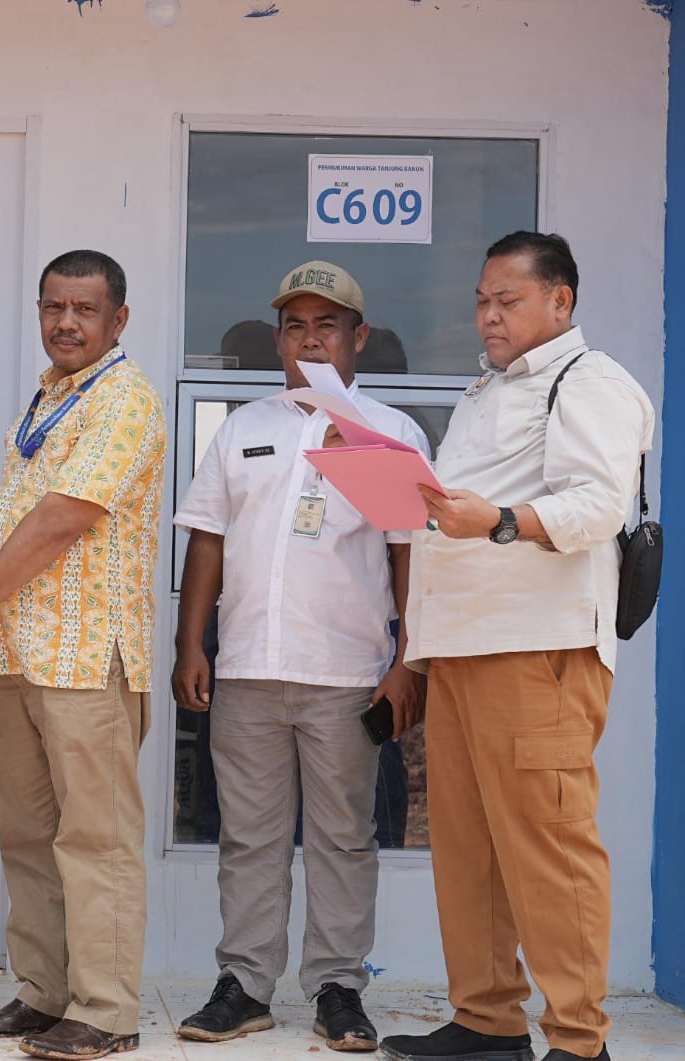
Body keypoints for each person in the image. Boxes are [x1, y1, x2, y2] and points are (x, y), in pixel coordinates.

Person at [380, 232, 654, 1061]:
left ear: (560, 301)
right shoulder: (486, 391)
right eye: (481, 301)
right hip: (464, 644)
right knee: (469, 846)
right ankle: (487, 1020)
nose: (488, 316)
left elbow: (598, 505)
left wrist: (498, 519)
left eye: (508, 300)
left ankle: (578, 1039)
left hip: (537, 647)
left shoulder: (588, 380)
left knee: (548, 843)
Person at [0, 249, 166, 1061]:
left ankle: (107, 1010)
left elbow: (61, 519)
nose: (66, 322)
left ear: (118, 320)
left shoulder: (123, 398)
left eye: (85, 309)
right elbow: (22, 516)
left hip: (87, 657)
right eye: (54, 307)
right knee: (29, 835)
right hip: (19, 654)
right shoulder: (53, 395)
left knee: (97, 840)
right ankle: (46, 992)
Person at [170, 261, 429, 1052]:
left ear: (359, 336)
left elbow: (410, 553)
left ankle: (338, 988)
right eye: (295, 326)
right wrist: (189, 642)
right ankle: (245, 985)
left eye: (326, 325)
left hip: (346, 674)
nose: (309, 340)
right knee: (248, 838)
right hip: (248, 667)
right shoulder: (242, 428)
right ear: (279, 340)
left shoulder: (390, 432)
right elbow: (207, 540)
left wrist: (408, 661)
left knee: (343, 838)